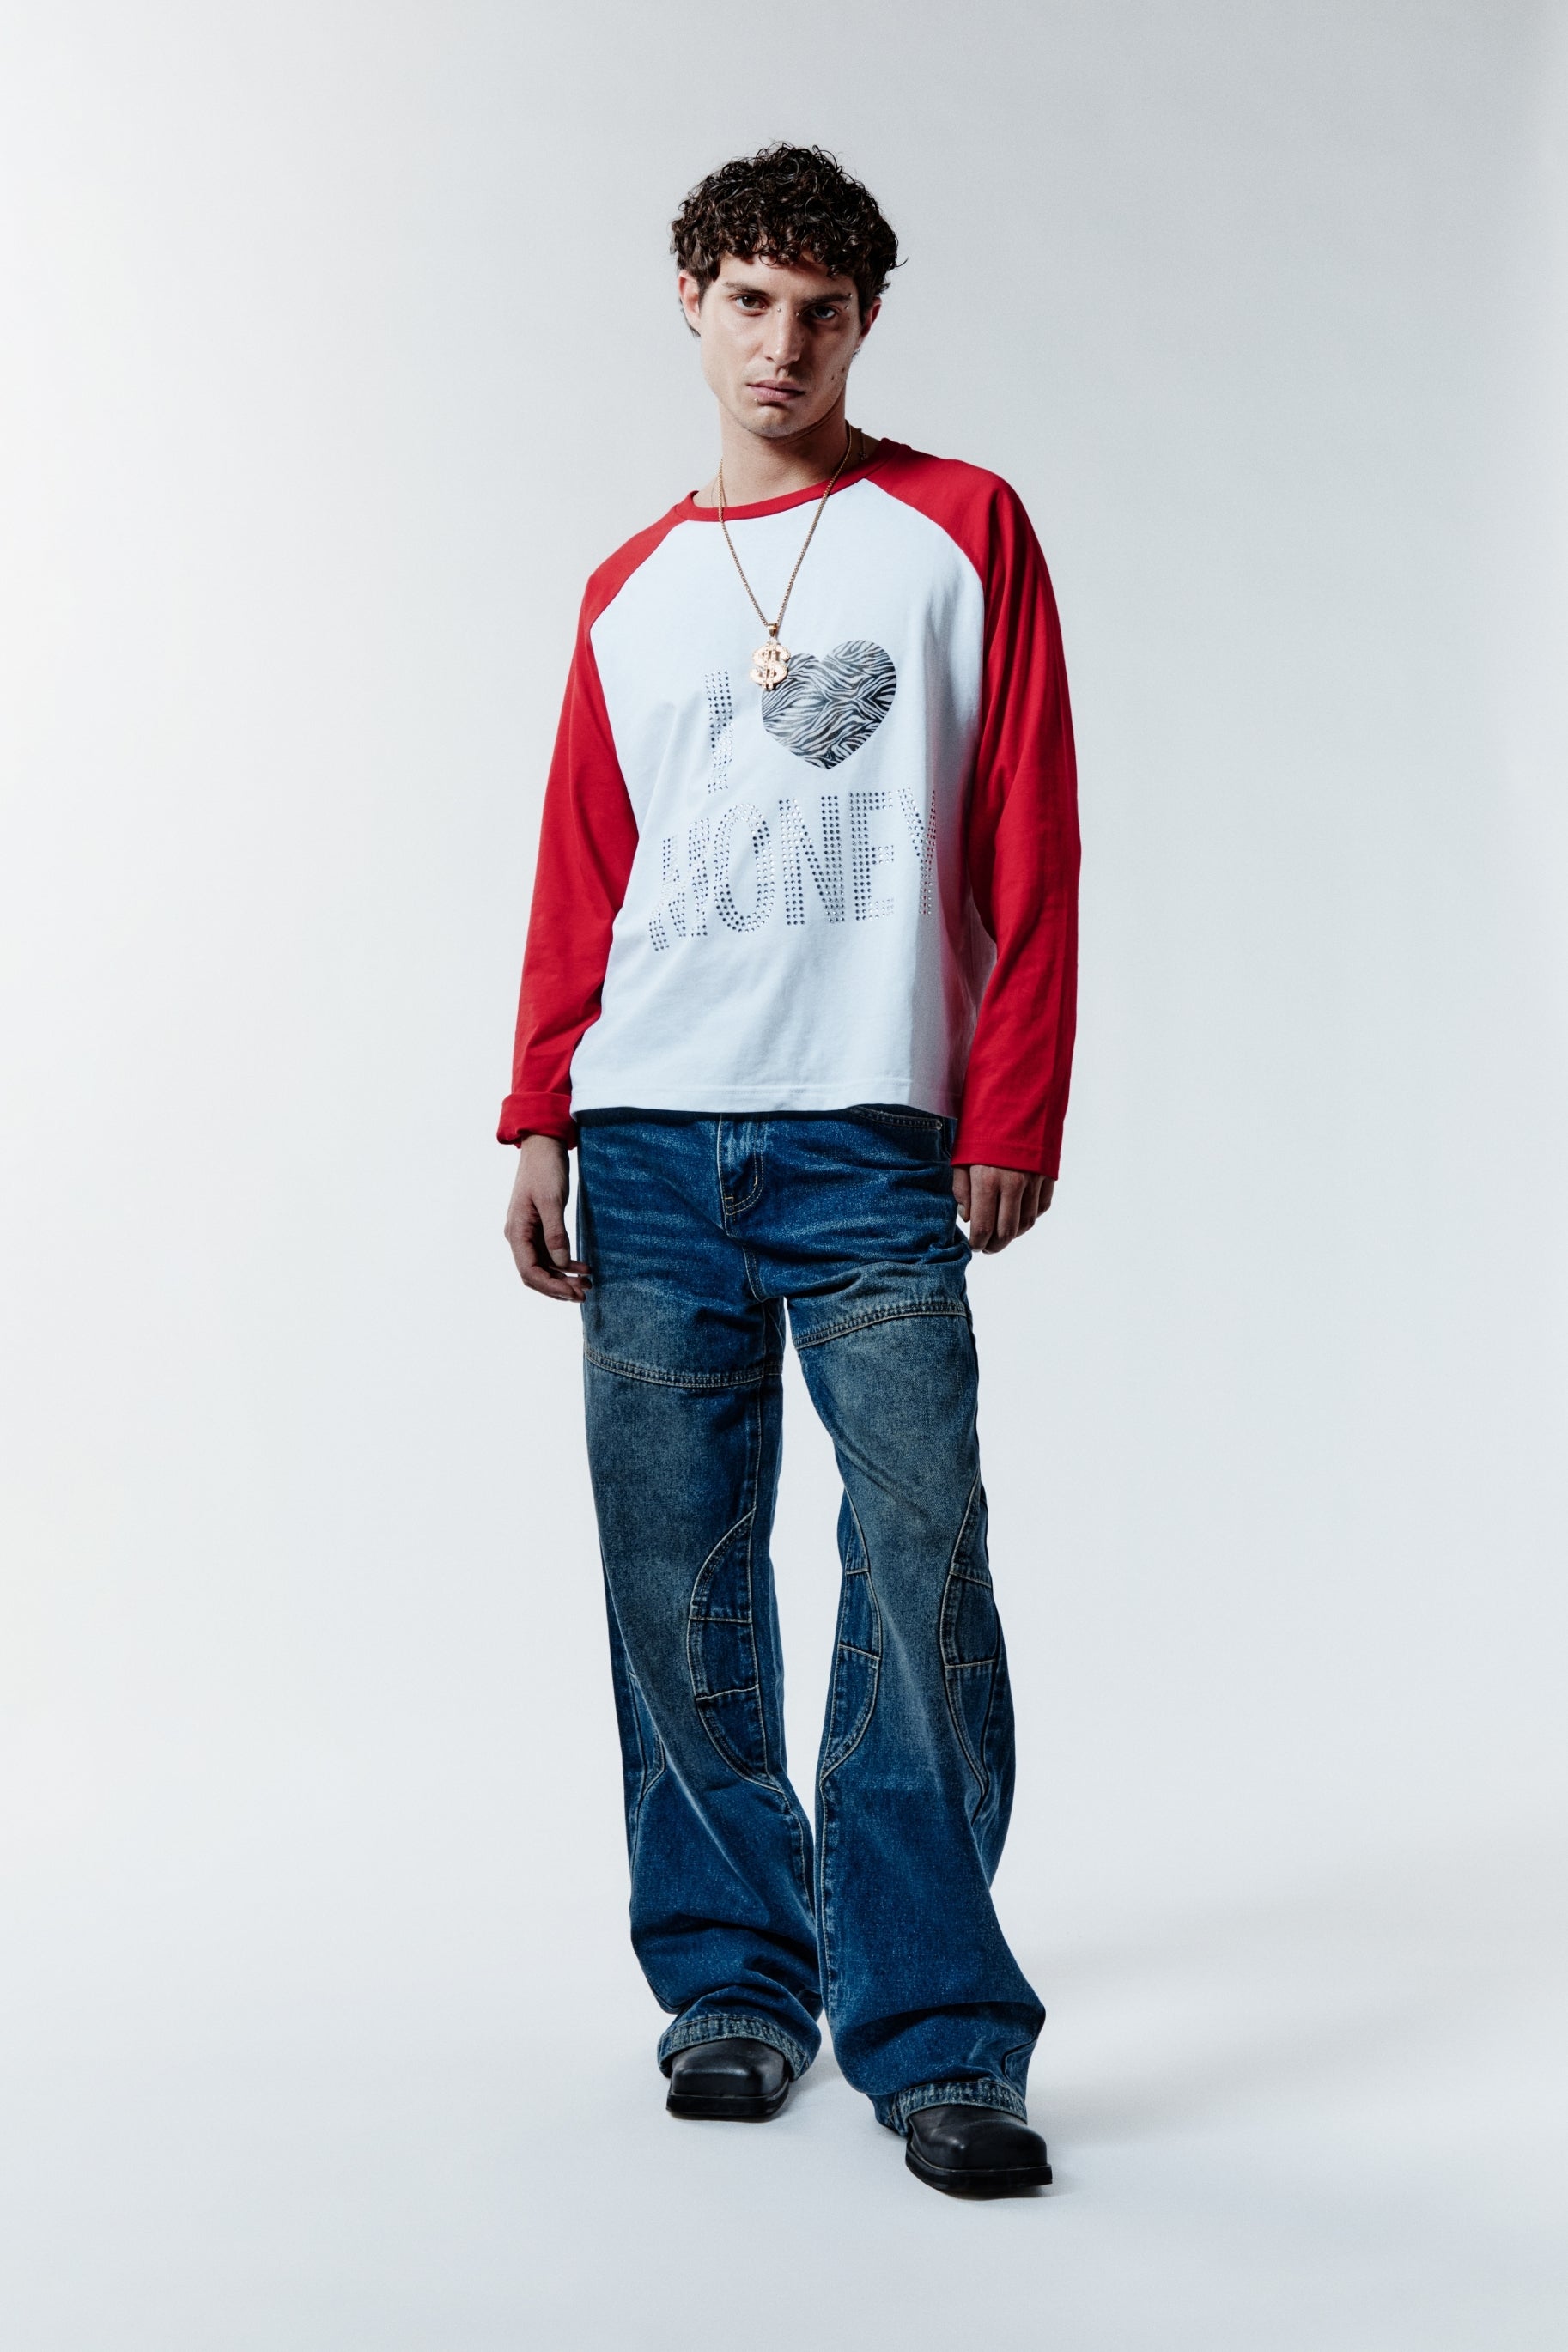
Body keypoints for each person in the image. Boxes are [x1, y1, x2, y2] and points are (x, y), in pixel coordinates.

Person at [500, 143, 1079, 2197]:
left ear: (864, 324)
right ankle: (733, 1983)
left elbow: (1031, 826)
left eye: (821, 311)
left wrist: (1010, 1102)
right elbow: (588, 862)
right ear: (692, 300)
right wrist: (538, 1107)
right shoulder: (628, 590)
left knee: (919, 1569)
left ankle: (935, 2026)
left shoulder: (958, 526)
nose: (782, 342)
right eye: (749, 300)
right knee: (674, 1581)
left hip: (867, 1139)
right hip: (650, 1136)